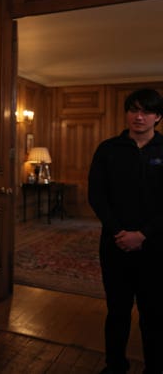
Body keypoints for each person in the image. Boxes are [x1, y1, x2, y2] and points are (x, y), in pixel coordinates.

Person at [88, 88, 163, 374]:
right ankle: (114, 366)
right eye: (133, 110)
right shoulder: (108, 149)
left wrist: (143, 234)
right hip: (114, 245)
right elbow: (97, 195)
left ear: (158, 117)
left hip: (156, 248)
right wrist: (119, 231)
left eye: (146, 111)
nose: (139, 116)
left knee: (154, 314)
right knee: (117, 312)